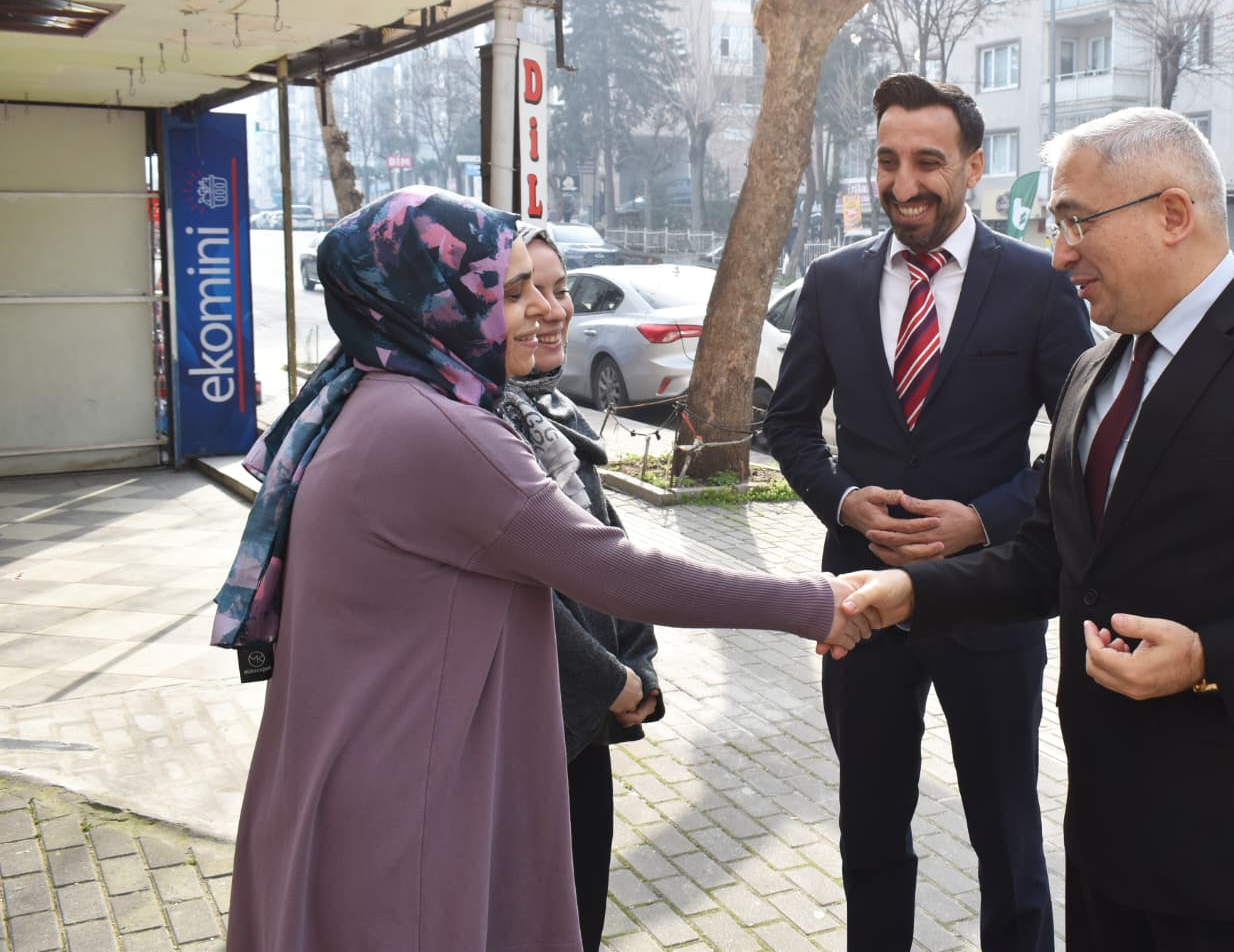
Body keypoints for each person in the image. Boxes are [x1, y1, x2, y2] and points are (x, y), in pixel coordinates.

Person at [838, 107, 1234, 951]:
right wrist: (905, 592)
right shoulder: (1097, 367)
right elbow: (1053, 561)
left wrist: (1211, 658)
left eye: (1075, 222)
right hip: (1106, 845)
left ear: (1173, 213)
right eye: (1054, 225)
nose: (1059, 255)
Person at [212, 186, 866, 952]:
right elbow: (614, 571)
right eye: (508, 289)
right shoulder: (441, 429)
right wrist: (815, 601)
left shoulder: (365, 397)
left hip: (350, 776)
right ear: (438, 297)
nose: (531, 310)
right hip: (407, 801)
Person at [764, 73, 1094, 952]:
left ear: (974, 166)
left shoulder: (1036, 285)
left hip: (990, 602)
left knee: (1007, 837)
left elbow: (1084, 440)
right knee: (869, 830)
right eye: (887, 160)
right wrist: (839, 496)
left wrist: (981, 520)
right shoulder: (832, 283)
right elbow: (789, 423)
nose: (903, 182)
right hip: (862, 602)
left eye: (927, 162)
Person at [493, 224, 661, 952]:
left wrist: (640, 663)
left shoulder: (550, 418)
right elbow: (523, 595)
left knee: (580, 914)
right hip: (529, 726)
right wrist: (612, 679)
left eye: (558, 289)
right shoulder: (480, 428)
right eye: (520, 290)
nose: (550, 307)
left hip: (582, 726)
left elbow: (611, 551)